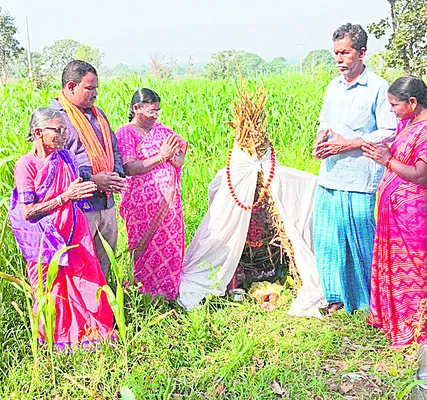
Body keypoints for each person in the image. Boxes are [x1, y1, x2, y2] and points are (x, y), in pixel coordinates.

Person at [9, 107, 114, 347]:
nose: (64, 135)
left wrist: (81, 192)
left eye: (65, 129)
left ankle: (88, 333)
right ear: (38, 132)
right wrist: (65, 197)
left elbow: (75, 190)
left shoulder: (66, 157)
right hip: (44, 240)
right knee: (50, 289)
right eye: (58, 130)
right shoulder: (26, 165)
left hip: (74, 233)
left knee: (84, 282)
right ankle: (56, 339)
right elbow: (28, 212)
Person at [312, 23, 396, 315]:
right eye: (336, 53)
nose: (339, 59)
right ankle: (334, 296)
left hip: (359, 177)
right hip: (330, 174)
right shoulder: (332, 86)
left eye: (345, 53)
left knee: (360, 241)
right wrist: (320, 140)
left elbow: (388, 131)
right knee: (326, 239)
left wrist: (349, 144)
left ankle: (367, 302)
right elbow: (325, 122)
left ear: (361, 52)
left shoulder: (378, 87)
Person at [361, 76, 427, 346]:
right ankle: (395, 321)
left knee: (413, 269)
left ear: (412, 102)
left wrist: (386, 160)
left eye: (395, 104)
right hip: (394, 213)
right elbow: (403, 157)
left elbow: (420, 175)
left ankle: (415, 327)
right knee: (394, 266)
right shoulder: (407, 123)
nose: (391, 110)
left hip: (413, 217)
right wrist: (387, 151)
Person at [50, 60, 126, 277]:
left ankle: (104, 307)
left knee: (105, 262)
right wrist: (92, 178)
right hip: (78, 206)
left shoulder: (97, 114)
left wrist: (116, 176)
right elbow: (53, 162)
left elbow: (114, 148)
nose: (95, 94)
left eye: (96, 89)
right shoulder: (54, 117)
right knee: (80, 265)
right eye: (90, 88)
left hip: (106, 201)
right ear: (71, 86)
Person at [115, 88, 187, 300]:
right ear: (136, 109)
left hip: (169, 204)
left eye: (157, 111)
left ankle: (168, 293)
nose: (155, 116)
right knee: (144, 248)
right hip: (142, 204)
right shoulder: (126, 133)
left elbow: (180, 159)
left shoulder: (164, 132)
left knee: (169, 246)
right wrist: (161, 156)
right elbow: (129, 168)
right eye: (151, 112)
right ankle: (143, 294)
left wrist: (173, 158)